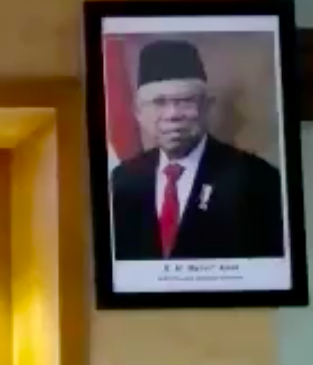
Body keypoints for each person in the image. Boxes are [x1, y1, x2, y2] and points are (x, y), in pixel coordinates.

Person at [109, 38, 286, 261]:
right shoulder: (123, 180)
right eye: (159, 102)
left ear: (207, 106)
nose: (173, 115)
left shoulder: (256, 178)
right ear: (138, 112)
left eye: (185, 101)